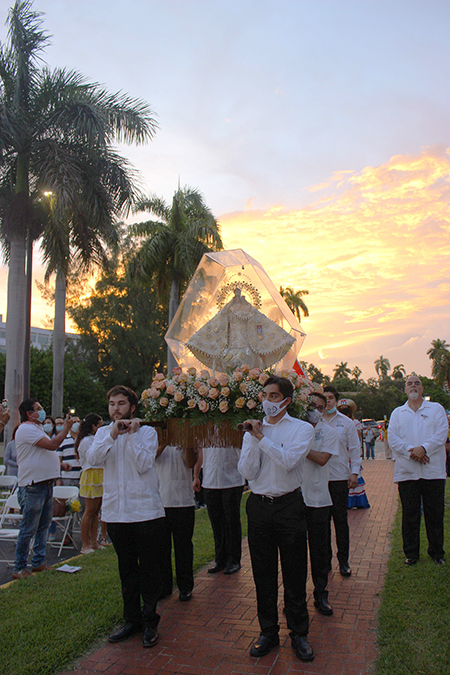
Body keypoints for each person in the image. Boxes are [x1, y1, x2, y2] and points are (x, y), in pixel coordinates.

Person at [238, 375, 315, 662]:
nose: (267, 401)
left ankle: (299, 633)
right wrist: (252, 438)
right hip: (258, 505)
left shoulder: (302, 429)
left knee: (294, 570)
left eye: (273, 396)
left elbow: (288, 461)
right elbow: (246, 471)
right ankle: (268, 631)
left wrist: (261, 438)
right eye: (265, 396)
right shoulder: (251, 431)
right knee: (262, 572)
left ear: (286, 400)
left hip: (289, 505)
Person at [86, 386, 165, 648]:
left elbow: (144, 464)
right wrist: (112, 434)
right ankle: (131, 620)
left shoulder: (148, 432)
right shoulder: (102, 434)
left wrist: (130, 435)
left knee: (150, 570)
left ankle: (150, 621)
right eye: (111, 404)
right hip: (117, 513)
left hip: (145, 512)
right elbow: (94, 459)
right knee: (127, 569)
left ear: (132, 407)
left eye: (121, 403)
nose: (116, 408)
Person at [388, 374, 448, 566]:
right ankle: (411, 554)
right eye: (409, 384)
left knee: (435, 514)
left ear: (422, 389)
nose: (413, 386)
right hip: (407, 472)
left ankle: (437, 552)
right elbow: (393, 438)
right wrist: (411, 452)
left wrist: (425, 449)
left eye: (417, 383)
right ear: (405, 390)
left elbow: (441, 433)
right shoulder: (397, 413)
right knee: (410, 514)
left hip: (433, 471)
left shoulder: (436, 409)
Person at [13, 399, 73, 580]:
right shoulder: (26, 429)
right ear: (29, 414)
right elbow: (53, 445)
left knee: (43, 527)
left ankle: (39, 562)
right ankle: (19, 567)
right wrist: (66, 428)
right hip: (33, 486)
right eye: (38, 409)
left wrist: (60, 464)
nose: (42, 411)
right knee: (29, 528)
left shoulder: (37, 429)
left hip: (45, 484)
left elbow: (43, 453)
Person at [302, 392, 339, 616]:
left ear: (324, 410)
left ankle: (321, 594)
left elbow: (323, 458)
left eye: (319, 406)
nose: (314, 409)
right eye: (311, 405)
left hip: (318, 499)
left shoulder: (328, 432)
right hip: (295, 499)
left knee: (319, 551)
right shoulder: (294, 428)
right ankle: (293, 598)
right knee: (294, 553)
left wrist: (298, 448)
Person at [322, 386, 360, 576]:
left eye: (330, 398)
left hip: (339, 478)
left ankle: (343, 560)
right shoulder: (314, 423)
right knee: (321, 523)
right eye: (324, 398)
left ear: (336, 400)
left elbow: (354, 449)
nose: (327, 401)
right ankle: (325, 560)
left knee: (340, 521)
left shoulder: (346, 423)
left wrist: (354, 473)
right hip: (319, 480)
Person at [193, 445, 244, 575]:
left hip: (231, 480)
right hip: (210, 481)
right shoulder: (205, 428)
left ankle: (234, 559)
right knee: (216, 522)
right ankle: (220, 558)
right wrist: (196, 475)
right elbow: (201, 453)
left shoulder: (230, 427)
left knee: (231, 521)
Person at [156, 444, 197, 601]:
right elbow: (151, 456)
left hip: (183, 501)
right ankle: (164, 586)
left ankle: (185, 587)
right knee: (161, 548)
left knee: (184, 547)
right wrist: (166, 439)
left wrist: (186, 442)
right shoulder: (155, 435)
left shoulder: (186, 434)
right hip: (160, 501)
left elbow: (190, 463)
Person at [74, 413, 106, 553]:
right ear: (93, 426)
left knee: (96, 512)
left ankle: (94, 542)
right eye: (99, 425)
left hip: (100, 473)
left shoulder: (93, 439)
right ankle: (85, 544)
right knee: (89, 511)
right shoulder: (87, 440)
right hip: (92, 474)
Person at [337, 403, 370, 510]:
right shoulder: (338, 422)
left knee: (353, 474)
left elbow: (357, 438)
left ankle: (355, 501)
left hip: (349, 452)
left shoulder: (354, 423)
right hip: (343, 453)